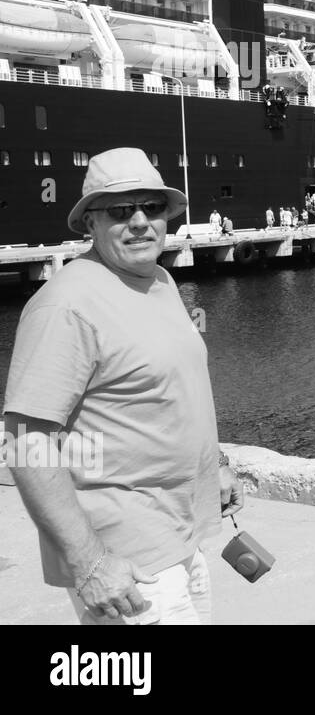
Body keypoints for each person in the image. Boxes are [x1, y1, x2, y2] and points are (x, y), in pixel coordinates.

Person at [1, 147, 243, 625]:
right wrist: (89, 563)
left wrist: (215, 464)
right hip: (128, 558)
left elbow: (175, 390)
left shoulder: (158, 282)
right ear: (89, 223)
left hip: (182, 533)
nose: (139, 221)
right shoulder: (66, 306)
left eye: (152, 208)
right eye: (119, 210)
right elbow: (27, 443)